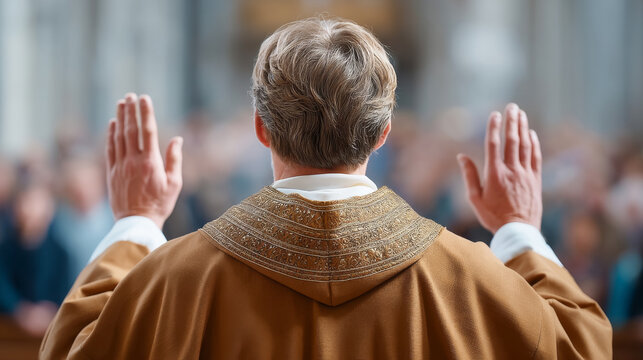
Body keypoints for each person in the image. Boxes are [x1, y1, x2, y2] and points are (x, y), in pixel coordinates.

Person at [40, 18, 611, 359]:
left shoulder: (176, 279)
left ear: (261, 127)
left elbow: (72, 352)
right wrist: (518, 230)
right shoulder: (470, 278)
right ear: (383, 132)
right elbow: (583, 348)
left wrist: (136, 222)